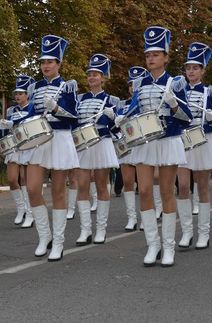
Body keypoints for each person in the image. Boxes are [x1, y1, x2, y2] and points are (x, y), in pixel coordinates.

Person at [118, 26, 192, 267]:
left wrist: (174, 105)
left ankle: (169, 246)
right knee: (145, 191)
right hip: (144, 143)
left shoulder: (176, 82)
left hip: (168, 140)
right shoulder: (140, 83)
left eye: (156, 55)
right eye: (148, 55)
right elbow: (134, 109)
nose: (151, 59)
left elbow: (187, 117)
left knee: (167, 191)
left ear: (166, 57)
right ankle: (153, 245)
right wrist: (122, 118)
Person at [22, 34, 80, 262]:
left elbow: (73, 117)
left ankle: (58, 242)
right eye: (43, 62)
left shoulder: (68, 87)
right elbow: (31, 115)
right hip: (40, 140)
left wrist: (56, 108)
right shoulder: (35, 88)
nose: (45, 66)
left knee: (58, 191)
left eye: (50, 62)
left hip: (60, 138)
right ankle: (44, 236)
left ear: (59, 64)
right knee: (32, 188)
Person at [177, 42, 212, 249]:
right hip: (183, 140)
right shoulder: (178, 90)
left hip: (202, 140)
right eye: (188, 68)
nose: (191, 71)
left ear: (202, 71)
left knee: (202, 186)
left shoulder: (209, 92)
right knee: (183, 186)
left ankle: (204, 233)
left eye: (195, 68)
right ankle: (187, 232)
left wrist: (211, 117)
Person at [75, 54, 120, 245]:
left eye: (96, 74)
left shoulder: (112, 100)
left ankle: (101, 229)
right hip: (83, 144)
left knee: (102, 185)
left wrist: (113, 118)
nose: (92, 77)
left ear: (103, 78)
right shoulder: (79, 99)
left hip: (102, 142)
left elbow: (117, 129)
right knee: (82, 185)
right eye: (89, 74)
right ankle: (85, 230)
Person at [0, 75, 35, 227]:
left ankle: (30, 213)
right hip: (13, 146)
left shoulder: (32, 108)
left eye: (21, 93)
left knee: (25, 179)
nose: (17, 96)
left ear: (27, 95)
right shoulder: (11, 110)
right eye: (16, 94)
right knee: (12, 179)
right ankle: (21, 209)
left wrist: (13, 123)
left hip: (27, 144)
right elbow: (6, 129)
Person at [116, 66, 147, 232]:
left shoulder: (147, 103)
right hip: (126, 144)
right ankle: (131, 218)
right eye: (130, 84)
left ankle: (146, 215)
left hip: (142, 143)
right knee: (127, 182)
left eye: (136, 83)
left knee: (144, 184)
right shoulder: (122, 105)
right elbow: (115, 128)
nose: (132, 87)